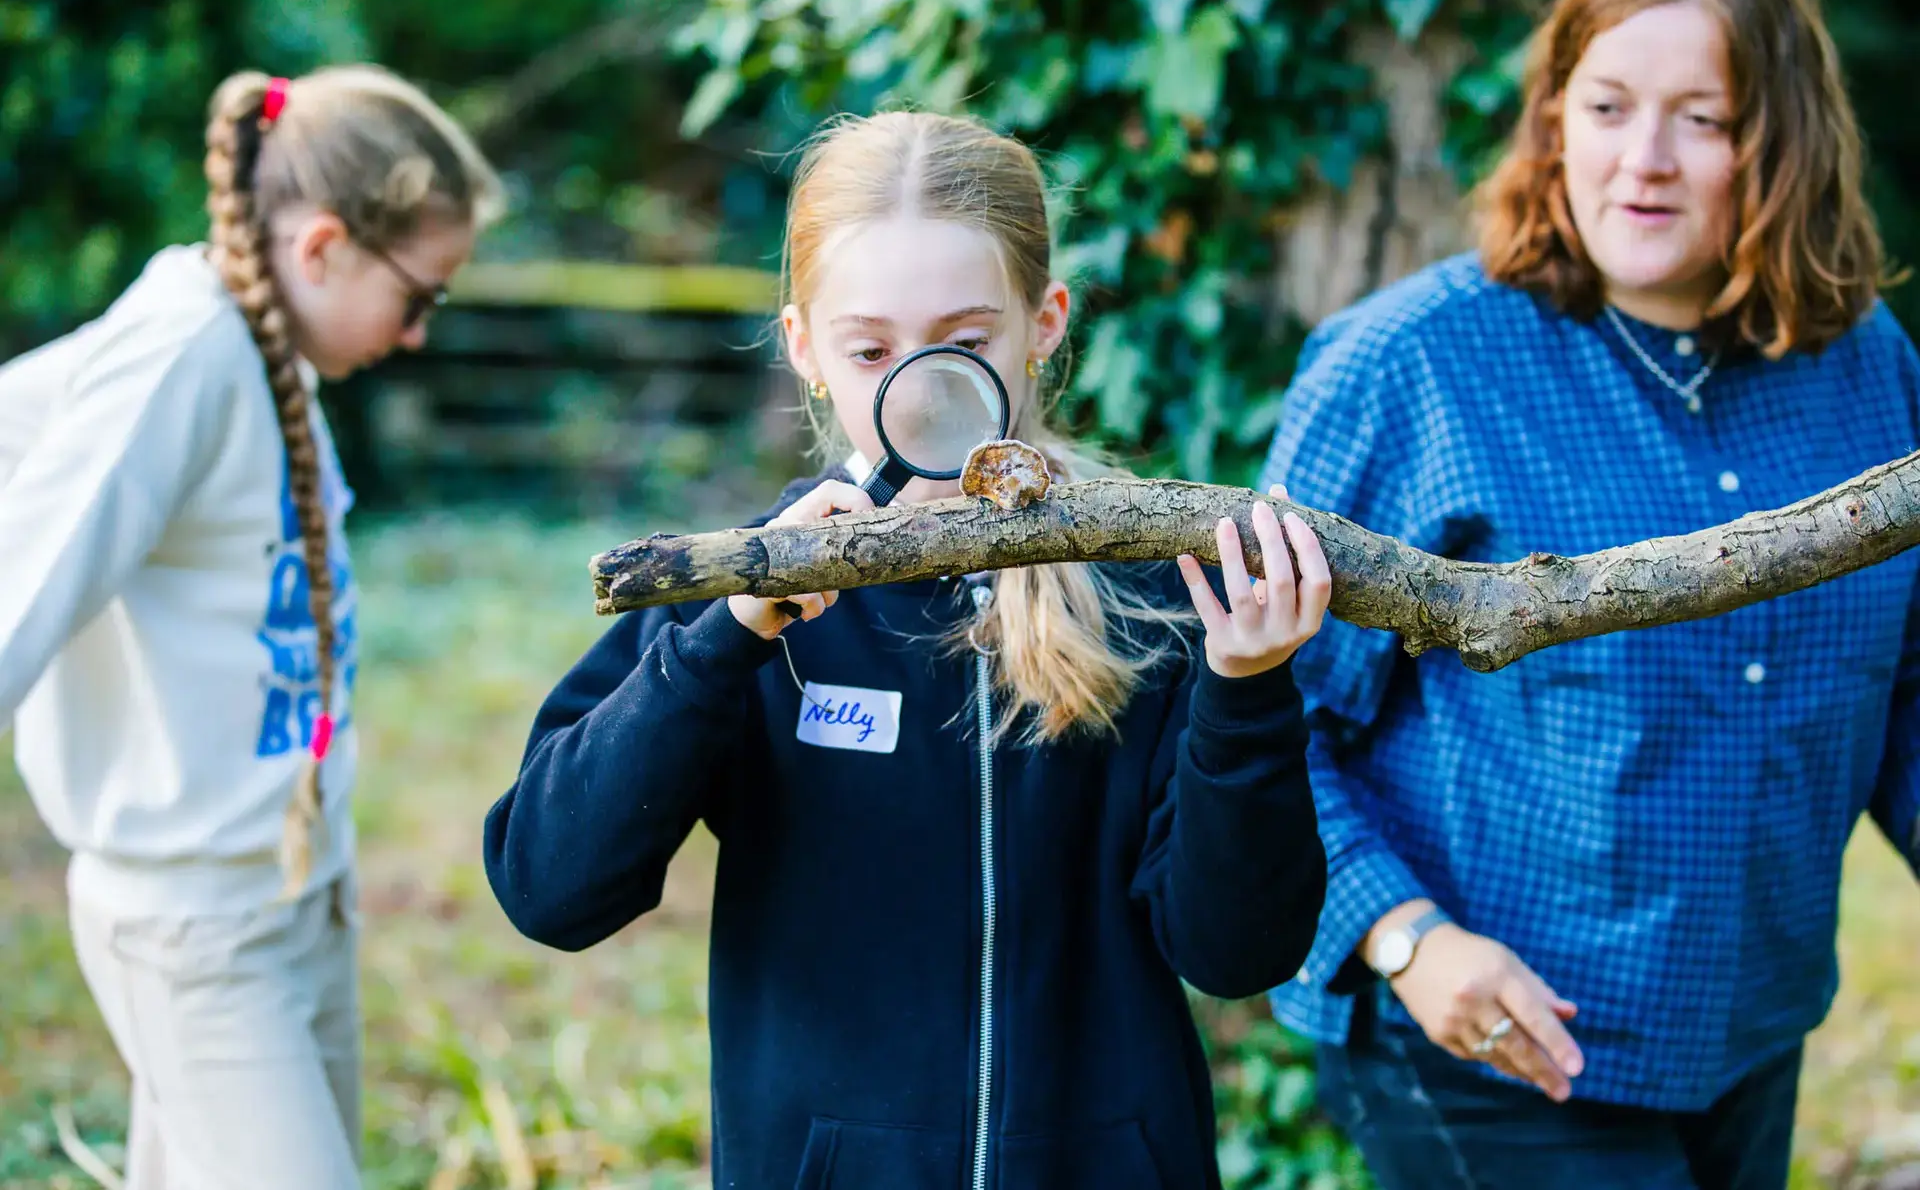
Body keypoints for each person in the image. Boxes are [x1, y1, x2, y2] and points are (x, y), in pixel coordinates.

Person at [483, 110, 1330, 1190]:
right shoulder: (749, 595)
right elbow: (547, 888)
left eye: (964, 343)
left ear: (1044, 322)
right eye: (874, 349)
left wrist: (1247, 695)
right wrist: (727, 638)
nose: (922, 391)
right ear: (807, 350)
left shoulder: (1155, 587)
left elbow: (1238, 952)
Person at [1259, 0, 1920, 1186]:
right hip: (1493, 1034)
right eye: (1607, 106)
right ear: (1555, 119)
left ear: (1782, 142)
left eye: (1704, 121)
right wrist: (1404, 938)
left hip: (1749, 1032)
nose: (1644, 163)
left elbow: (1911, 687)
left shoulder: (1868, 368)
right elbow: (1251, 709)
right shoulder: (1414, 367)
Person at [0, 64, 502, 1188]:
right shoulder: (187, 354)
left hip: (295, 892)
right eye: (419, 297)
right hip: (195, 928)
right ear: (322, 247)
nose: (418, 333)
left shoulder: (257, 347)